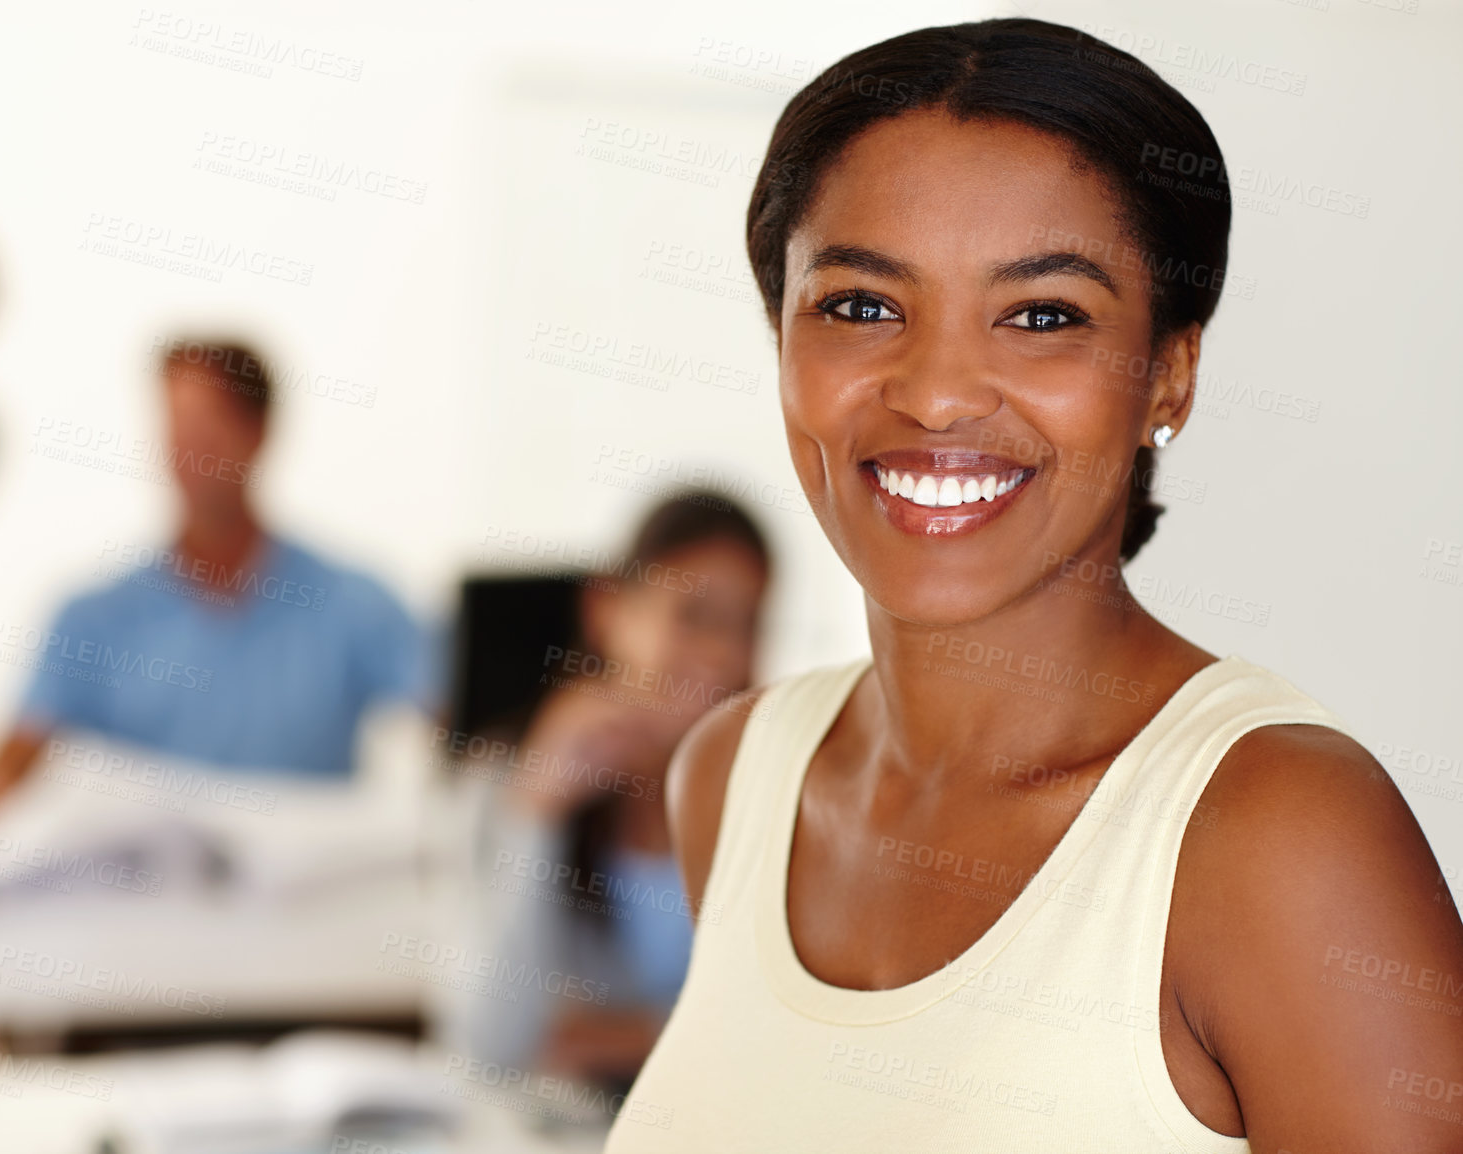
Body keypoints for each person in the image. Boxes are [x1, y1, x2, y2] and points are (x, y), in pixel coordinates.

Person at [605, 18, 1463, 1153]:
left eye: (1043, 315)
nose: (940, 393)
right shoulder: (733, 774)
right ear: (780, 336)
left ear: (1168, 370)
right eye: (861, 304)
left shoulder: (1277, 836)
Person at [0, 338, 438, 821]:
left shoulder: (352, 604)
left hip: (312, 888)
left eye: (210, 432)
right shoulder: (93, 619)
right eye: (177, 429)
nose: (191, 456)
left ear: (259, 434)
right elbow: (2, 773)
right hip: (141, 887)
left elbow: (463, 720)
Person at [464, 493, 769, 1095]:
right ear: (608, 611)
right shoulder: (503, 782)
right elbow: (487, 1044)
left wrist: (639, 1037)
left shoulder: (774, 791)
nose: (721, 655)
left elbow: (792, 1038)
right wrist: (534, 814)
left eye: (746, 625)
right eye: (694, 616)